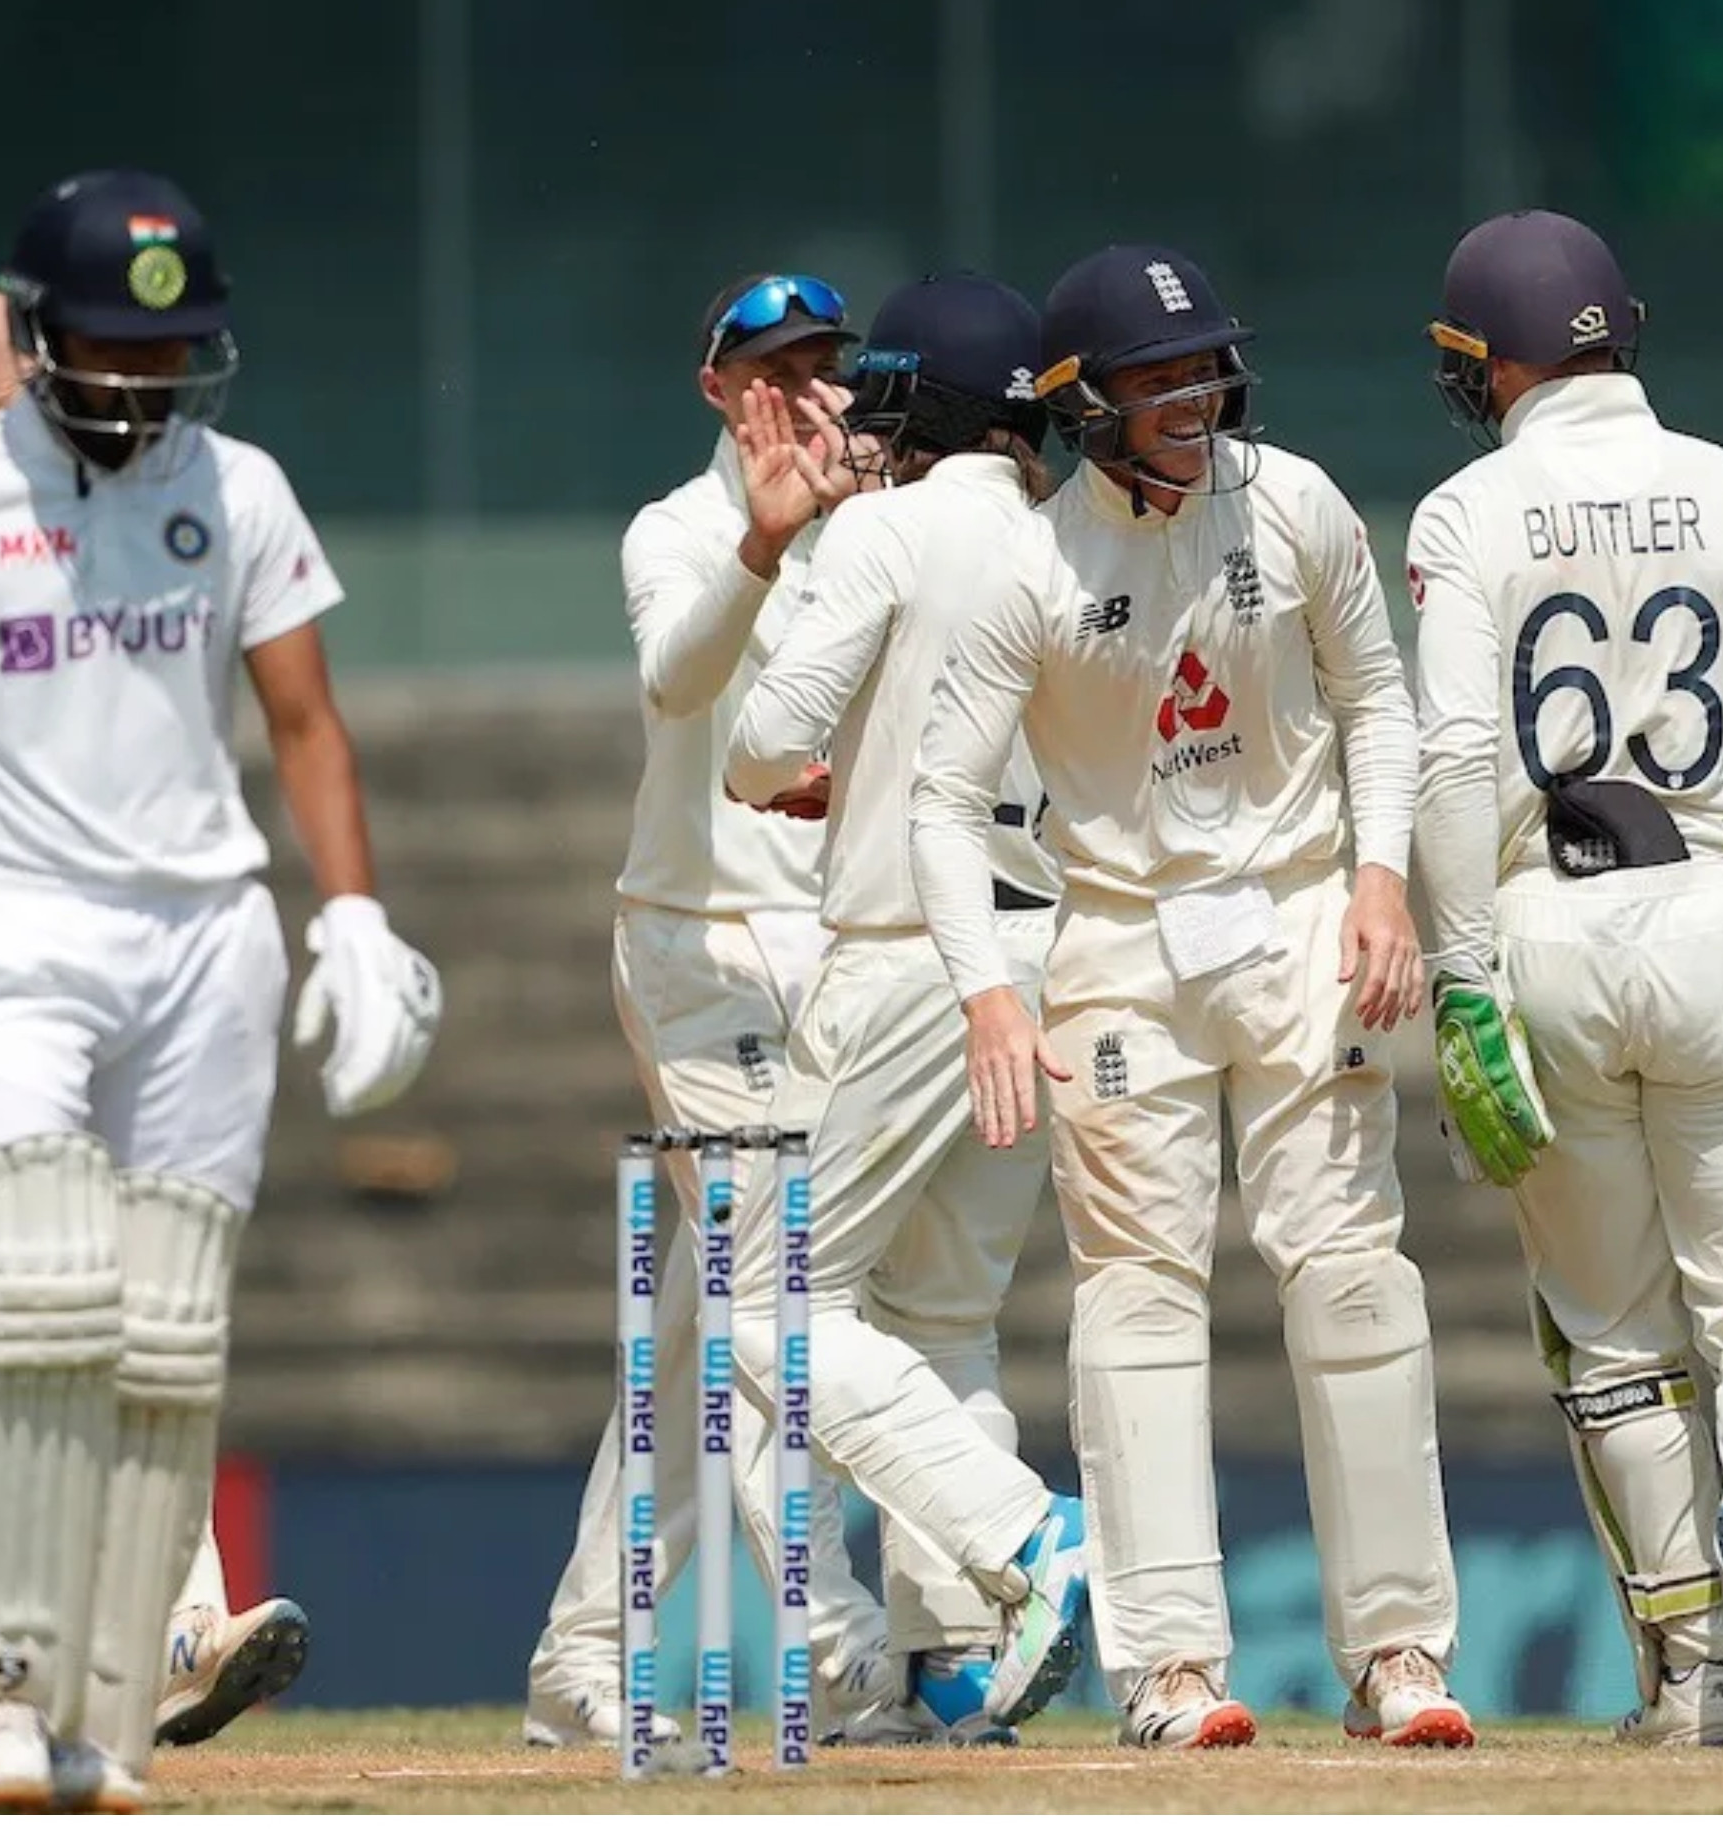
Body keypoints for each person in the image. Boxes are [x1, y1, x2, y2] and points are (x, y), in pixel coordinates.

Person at [0, 168, 441, 1810]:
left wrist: (352, 917)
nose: (143, 387)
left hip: (201, 932)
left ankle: (113, 1703)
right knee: (25, 1296)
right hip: (6, 932)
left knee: (160, 1328)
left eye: (173, 355)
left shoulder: (244, 489)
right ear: (40, 334)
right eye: (111, 352)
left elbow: (303, 722)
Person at [909, 242, 1470, 1751]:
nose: (1196, 394)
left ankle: (1400, 1654)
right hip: (1117, 944)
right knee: (1141, 1302)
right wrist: (987, 997)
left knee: (1353, 1272)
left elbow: (1378, 701)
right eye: (1158, 378)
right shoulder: (1028, 565)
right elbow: (940, 804)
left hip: (1298, 920)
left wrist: (1378, 880)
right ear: (1081, 404)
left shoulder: (1294, 504)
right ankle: (1167, 1668)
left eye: (1206, 364)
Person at [1404, 210, 1723, 1748]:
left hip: (1542, 923)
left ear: (1492, 361)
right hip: (1714, 911)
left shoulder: (1468, 513)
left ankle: (1695, 1674)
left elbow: (1462, 758)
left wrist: (1460, 977)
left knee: (1610, 1331)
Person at [0, 290, 312, 1754]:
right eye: (33, 383)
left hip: (93, 978)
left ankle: (166, 1628)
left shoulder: (122, 524)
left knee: (131, 1300)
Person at [519, 272, 923, 1749]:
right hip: (698, 958)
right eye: (766, 371)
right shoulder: (678, 532)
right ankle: (835, 1648)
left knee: (711, 1331)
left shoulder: (885, 523)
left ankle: (582, 1658)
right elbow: (676, 680)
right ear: (716, 391)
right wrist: (762, 538)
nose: (798, 393)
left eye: (821, 364)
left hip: (834, 954)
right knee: (780, 1307)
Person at [720, 272, 1096, 1741]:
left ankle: (1025, 1542)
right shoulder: (1075, 545)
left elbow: (760, 745)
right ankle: (953, 1672)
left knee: (767, 1314)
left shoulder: (880, 529)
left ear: (926, 412)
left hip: (903, 961)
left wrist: (805, 776)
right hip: (1040, 966)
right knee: (943, 1321)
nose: (865, 437)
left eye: (885, 406)